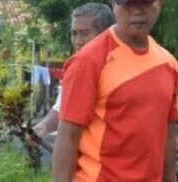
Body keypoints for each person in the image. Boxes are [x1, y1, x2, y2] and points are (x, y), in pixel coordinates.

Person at [53, 0, 178, 182]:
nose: (137, 11)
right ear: (114, 6)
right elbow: (67, 137)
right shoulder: (90, 59)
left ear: (159, 4)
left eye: (146, 4)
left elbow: (167, 139)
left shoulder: (168, 64)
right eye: (128, 4)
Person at [31, 3, 116, 140]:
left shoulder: (121, 67)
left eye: (84, 33)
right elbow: (62, 108)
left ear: (105, 34)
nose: (77, 41)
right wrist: (43, 126)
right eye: (74, 33)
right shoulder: (76, 68)